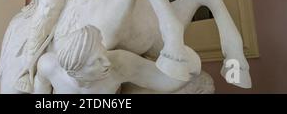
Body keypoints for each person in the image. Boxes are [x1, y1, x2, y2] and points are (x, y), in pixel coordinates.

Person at [34, 25, 202, 94]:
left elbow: (162, 80)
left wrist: (191, 65)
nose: (106, 62)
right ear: (74, 73)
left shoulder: (119, 64)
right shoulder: (49, 66)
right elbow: (41, 87)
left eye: (103, 53)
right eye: (96, 62)